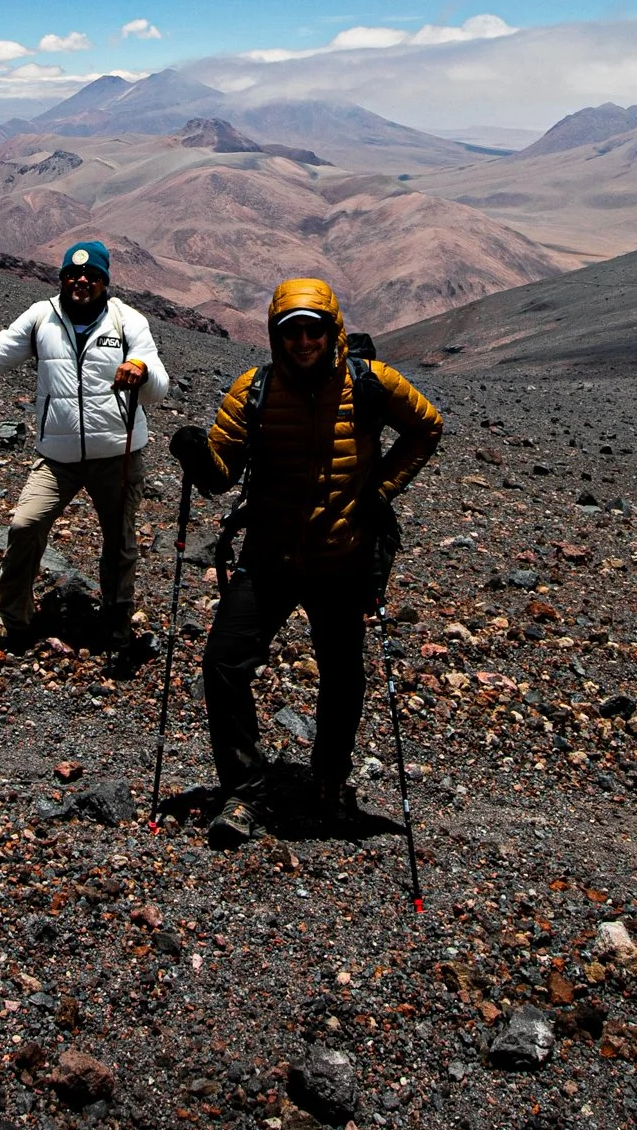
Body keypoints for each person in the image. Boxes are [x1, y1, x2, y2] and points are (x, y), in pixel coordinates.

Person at [170, 277, 442, 848]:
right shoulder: (255, 390)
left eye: (312, 330)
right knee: (223, 663)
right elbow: (222, 476)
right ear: (275, 334)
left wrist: (380, 490)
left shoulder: (369, 384)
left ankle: (329, 781)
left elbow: (426, 427)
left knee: (343, 676)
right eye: (290, 331)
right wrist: (199, 458)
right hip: (268, 555)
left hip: (341, 558)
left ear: (332, 330)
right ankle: (247, 789)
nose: (302, 341)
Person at [0, 240, 170, 673]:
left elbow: (158, 386)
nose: (81, 281)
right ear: (62, 279)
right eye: (72, 275)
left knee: (119, 541)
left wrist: (142, 370)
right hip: (57, 455)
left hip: (118, 455)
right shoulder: (41, 318)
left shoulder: (127, 320)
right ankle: (13, 618)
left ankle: (115, 620)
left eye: (91, 276)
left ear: (104, 282)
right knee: (25, 525)